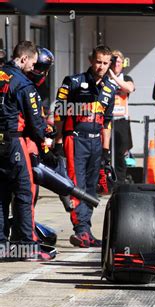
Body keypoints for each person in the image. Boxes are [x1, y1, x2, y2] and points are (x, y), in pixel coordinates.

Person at [53, 45, 117, 248]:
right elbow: (59, 113)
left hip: (96, 141)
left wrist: (106, 152)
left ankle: (86, 230)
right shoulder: (73, 82)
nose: (101, 66)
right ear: (92, 60)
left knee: (91, 188)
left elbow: (107, 122)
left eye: (106, 63)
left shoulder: (110, 88)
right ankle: (80, 230)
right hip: (75, 138)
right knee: (76, 185)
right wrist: (58, 140)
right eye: (98, 62)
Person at [0, 41, 56, 261]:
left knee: (1, 194)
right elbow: (35, 122)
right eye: (32, 63)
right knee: (24, 192)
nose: (33, 68)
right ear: (23, 59)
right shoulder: (24, 84)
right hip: (14, 142)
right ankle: (27, 247)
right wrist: (46, 140)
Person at [107, 49, 135, 186]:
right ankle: (105, 182)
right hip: (106, 120)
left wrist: (114, 78)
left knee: (120, 153)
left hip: (121, 120)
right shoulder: (104, 78)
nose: (116, 64)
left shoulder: (126, 78)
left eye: (119, 61)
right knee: (105, 152)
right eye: (114, 61)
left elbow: (128, 88)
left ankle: (120, 183)